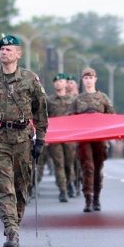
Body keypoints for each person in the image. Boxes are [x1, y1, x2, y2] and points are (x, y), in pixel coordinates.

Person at [0, 35, 48, 247]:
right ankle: (11, 231)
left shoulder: (30, 79)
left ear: (18, 54)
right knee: (5, 188)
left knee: (21, 189)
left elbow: (41, 111)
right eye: (2, 49)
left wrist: (40, 139)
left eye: (9, 49)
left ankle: (13, 220)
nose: (4, 52)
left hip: (23, 139)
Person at [72, 67, 114, 212]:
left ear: (95, 79)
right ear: (83, 80)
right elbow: (70, 119)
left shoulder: (103, 98)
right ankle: (88, 199)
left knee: (97, 168)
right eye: (86, 78)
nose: (88, 80)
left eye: (91, 78)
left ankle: (96, 198)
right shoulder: (78, 99)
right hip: (84, 138)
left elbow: (112, 117)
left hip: (100, 137)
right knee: (88, 168)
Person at [45, 73, 75, 203]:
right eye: (56, 81)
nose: (58, 83)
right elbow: (43, 119)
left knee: (69, 163)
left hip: (70, 137)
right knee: (59, 164)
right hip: (55, 137)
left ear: (65, 83)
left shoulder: (73, 100)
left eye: (61, 81)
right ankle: (62, 190)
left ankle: (70, 183)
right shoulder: (49, 101)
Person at [64, 74, 81, 197]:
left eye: (72, 82)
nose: (69, 85)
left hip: (79, 134)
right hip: (67, 135)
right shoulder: (61, 98)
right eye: (68, 82)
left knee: (78, 162)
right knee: (68, 162)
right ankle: (69, 183)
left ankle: (77, 182)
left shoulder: (80, 99)